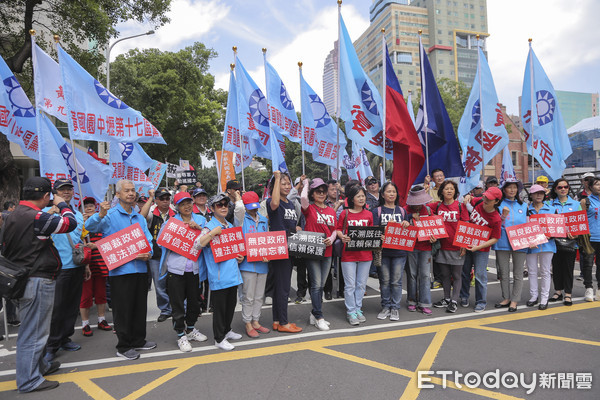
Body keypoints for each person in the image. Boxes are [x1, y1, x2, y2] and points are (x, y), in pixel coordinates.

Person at [1, 177, 77, 393]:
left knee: (35, 328)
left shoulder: (12, 215)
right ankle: (28, 380)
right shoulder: (37, 217)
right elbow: (70, 223)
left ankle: (40, 365)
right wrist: (62, 204)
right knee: (33, 332)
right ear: (46, 197)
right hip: (36, 278)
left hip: (20, 279)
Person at [86, 180, 156, 360]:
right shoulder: (109, 215)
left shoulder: (139, 217)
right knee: (123, 309)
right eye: (127, 191)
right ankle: (123, 346)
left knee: (140, 308)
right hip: (120, 271)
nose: (131, 193)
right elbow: (90, 228)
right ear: (117, 194)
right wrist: (99, 214)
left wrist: (149, 252)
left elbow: (148, 240)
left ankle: (139, 340)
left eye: (133, 190)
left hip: (140, 270)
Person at [159, 192, 208, 352]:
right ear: (177, 207)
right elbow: (161, 240)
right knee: (178, 304)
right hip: (176, 270)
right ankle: (181, 335)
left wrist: (199, 229)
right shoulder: (172, 222)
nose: (186, 206)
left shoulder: (200, 219)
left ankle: (191, 329)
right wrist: (177, 237)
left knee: (194, 302)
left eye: (188, 202)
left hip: (195, 270)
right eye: (182, 204)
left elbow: (208, 239)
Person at [44, 179, 86, 362]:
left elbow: (81, 241)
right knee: (56, 309)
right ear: (54, 194)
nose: (66, 192)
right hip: (57, 268)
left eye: (69, 189)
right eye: (62, 190)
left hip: (76, 266)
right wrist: (53, 212)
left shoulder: (77, 214)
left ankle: (65, 337)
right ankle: (51, 345)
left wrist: (86, 265)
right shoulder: (46, 213)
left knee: (71, 307)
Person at [196, 193, 244, 350]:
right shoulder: (208, 227)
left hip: (233, 275)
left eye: (226, 204)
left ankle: (227, 330)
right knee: (220, 309)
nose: (223, 207)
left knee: (231, 305)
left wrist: (239, 257)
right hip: (218, 277)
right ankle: (219, 338)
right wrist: (211, 233)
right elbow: (197, 245)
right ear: (212, 208)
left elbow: (236, 249)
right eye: (219, 205)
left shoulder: (230, 226)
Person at [267, 171, 303, 333]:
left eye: (288, 183)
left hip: (290, 247)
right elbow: (274, 204)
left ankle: (277, 320)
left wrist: (295, 228)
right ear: (275, 185)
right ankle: (283, 322)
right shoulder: (272, 202)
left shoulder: (289, 203)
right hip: (279, 248)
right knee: (283, 288)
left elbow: (288, 223)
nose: (287, 186)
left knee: (280, 287)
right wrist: (276, 177)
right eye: (283, 183)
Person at [301, 177, 337, 331]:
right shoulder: (309, 208)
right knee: (316, 285)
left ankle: (314, 313)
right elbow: (302, 197)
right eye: (318, 191)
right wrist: (306, 184)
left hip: (328, 251)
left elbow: (335, 229)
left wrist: (331, 238)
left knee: (321, 285)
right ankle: (319, 316)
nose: (321, 194)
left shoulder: (330, 210)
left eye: (323, 191)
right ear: (312, 194)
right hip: (313, 251)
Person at [234, 191, 271, 337]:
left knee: (258, 295)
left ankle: (256, 320)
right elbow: (239, 210)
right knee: (248, 296)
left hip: (262, 264)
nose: (253, 209)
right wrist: (238, 199)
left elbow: (267, 239)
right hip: (247, 264)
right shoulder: (241, 219)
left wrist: (269, 254)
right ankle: (248, 322)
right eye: (250, 207)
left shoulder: (263, 219)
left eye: (255, 206)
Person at [460, 187, 502, 312]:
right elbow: (469, 199)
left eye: (489, 199)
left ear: (496, 201)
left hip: (481, 250)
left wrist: (478, 247)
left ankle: (481, 301)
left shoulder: (496, 218)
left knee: (480, 275)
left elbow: (495, 238)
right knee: (465, 272)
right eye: (485, 196)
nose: (485, 200)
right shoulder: (479, 202)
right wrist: (468, 197)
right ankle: (464, 296)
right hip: (468, 244)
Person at [373, 182, 410, 320]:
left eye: (393, 191)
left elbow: (407, 229)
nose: (391, 194)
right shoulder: (377, 211)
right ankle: (385, 306)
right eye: (388, 191)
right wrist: (379, 235)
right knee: (385, 280)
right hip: (383, 251)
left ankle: (395, 307)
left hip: (399, 252)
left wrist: (406, 224)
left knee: (396, 280)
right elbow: (374, 229)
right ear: (383, 195)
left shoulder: (402, 211)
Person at [337, 184, 373, 325]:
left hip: (365, 255)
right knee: (350, 285)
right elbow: (338, 229)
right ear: (351, 199)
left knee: (361, 285)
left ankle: (358, 308)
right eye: (358, 196)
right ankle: (351, 311)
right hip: (349, 254)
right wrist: (342, 236)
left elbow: (372, 232)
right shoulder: (345, 213)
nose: (361, 198)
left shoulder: (369, 214)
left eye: (363, 196)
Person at [431, 181, 469, 313]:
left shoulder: (460, 206)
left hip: (457, 246)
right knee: (445, 275)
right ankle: (446, 298)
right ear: (441, 191)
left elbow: (465, 225)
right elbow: (421, 208)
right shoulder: (437, 206)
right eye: (446, 189)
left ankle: (454, 301)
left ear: (455, 191)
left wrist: (464, 245)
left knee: (457, 275)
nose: (449, 191)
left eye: (451, 189)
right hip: (442, 246)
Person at [491, 179, 528, 312]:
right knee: (504, 272)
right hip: (502, 242)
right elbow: (494, 224)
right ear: (504, 190)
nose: (512, 190)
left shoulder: (524, 205)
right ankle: (506, 297)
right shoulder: (498, 205)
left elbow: (528, 223)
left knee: (518, 273)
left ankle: (514, 300)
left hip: (520, 241)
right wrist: (502, 217)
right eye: (509, 187)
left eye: (515, 187)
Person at [80, 197, 112, 336]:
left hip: (101, 263)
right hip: (85, 264)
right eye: (85, 205)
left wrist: (96, 245)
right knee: (86, 296)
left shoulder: (103, 222)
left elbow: (109, 240)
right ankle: (85, 323)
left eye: (91, 205)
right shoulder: (78, 223)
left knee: (101, 294)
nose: (89, 208)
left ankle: (101, 319)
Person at [548, 179, 583, 303]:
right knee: (556, 267)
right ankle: (558, 291)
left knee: (568, 268)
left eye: (565, 186)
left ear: (568, 188)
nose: (563, 189)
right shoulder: (550, 205)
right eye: (559, 187)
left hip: (571, 242)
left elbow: (581, 223)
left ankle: (568, 293)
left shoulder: (575, 204)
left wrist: (576, 234)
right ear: (555, 189)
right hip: (554, 242)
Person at [143, 187, 174, 322]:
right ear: (156, 200)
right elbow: (141, 216)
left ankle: (177, 307)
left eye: (167, 198)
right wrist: (149, 199)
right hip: (156, 256)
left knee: (175, 283)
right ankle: (165, 310)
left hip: (173, 255)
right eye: (162, 198)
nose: (165, 201)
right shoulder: (151, 213)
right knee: (160, 284)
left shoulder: (175, 214)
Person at [405, 186, 435, 316]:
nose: (417, 205)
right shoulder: (405, 211)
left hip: (426, 248)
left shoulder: (428, 210)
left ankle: (425, 303)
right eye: (415, 203)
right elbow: (399, 227)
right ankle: (412, 301)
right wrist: (410, 218)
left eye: (420, 202)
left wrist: (434, 238)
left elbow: (435, 227)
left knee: (424, 275)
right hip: (411, 247)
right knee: (412, 275)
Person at [526, 184, 557, 310]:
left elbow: (557, 228)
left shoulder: (551, 209)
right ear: (531, 195)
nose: (539, 195)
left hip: (547, 245)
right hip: (531, 245)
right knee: (532, 271)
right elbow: (523, 228)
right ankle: (534, 296)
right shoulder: (527, 209)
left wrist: (551, 235)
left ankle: (544, 298)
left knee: (545, 271)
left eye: (541, 193)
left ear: (544, 195)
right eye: (536, 193)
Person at [581, 176, 600, 301]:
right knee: (588, 264)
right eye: (597, 184)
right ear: (591, 186)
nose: (599, 187)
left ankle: (599, 289)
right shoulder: (586, 201)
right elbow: (580, 219)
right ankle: (588, 288)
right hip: (590, 237)